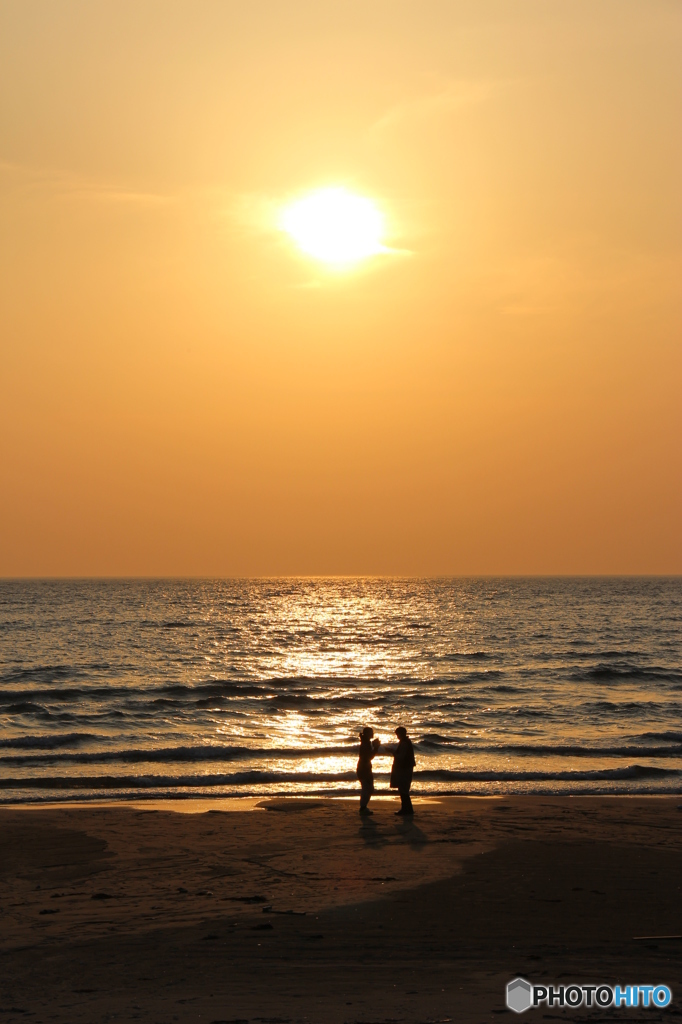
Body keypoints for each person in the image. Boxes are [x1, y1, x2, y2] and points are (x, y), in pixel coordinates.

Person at [390, 726, 416, 815]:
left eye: (397, 734)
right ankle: (407, 809)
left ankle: (406, 809)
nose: (397, 736)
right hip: (406, 768)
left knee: (403, 789)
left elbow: (401, 757)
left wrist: (393, 752)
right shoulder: (406, 742)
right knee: (404, 789)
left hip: (404, 769)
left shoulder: (404, 743)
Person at [357, 726, 380, 814]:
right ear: (367, 734)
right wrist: (376, 748)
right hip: (364, 768)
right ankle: (363, 807)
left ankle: (363, 807)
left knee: (368, 788)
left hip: (363, 767)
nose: (373, 734)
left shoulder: (365, 742)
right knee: (367, 788)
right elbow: (369, 757)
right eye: (371, 732)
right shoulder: (366, 743)